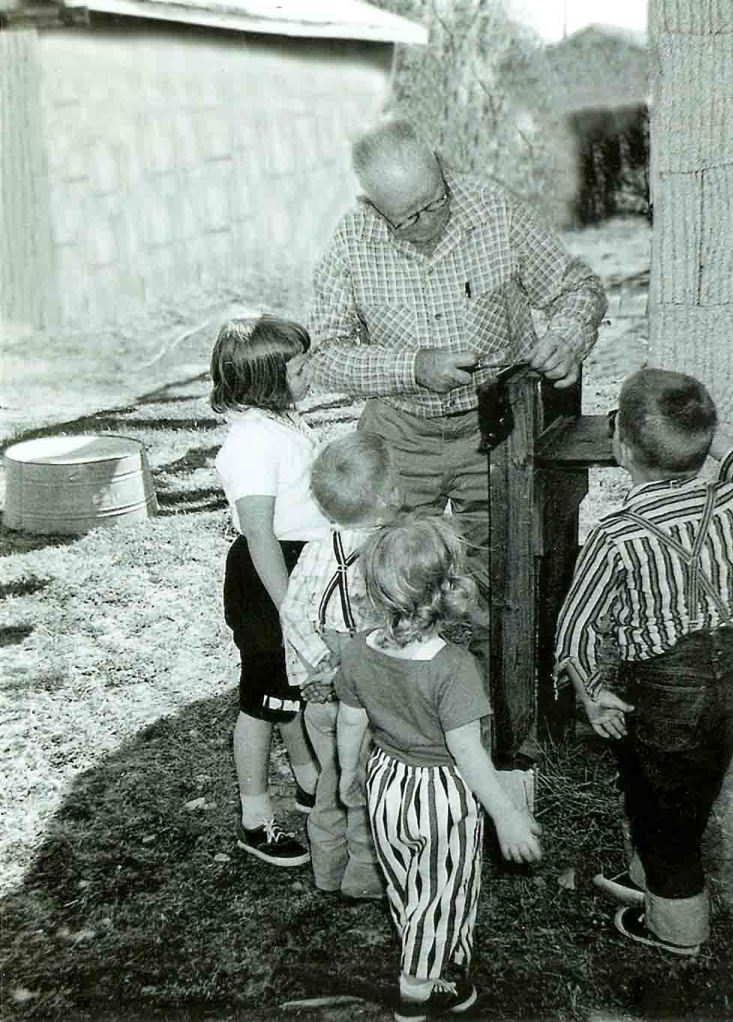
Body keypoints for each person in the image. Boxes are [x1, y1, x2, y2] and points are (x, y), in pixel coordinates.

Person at [307, 116, 607, 760]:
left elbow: (578, 287)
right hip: (400, 428)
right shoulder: (354, 238)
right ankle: (403, 725)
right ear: (373, 207)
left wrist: (567, 339)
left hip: (493, 423)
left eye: (433, 201)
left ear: (442, 166)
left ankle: (492, 724)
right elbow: (325, 354)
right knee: (395, 576)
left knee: (497, 571)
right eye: (406, 218)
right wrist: (412, 364)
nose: (427, 222)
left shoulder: (494, 208)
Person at [335, 514, 542, 1021]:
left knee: (409, 887)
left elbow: (350, 719)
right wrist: (508, 816)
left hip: (385, 781)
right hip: (441, 798)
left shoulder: (359, 651)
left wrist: (347, 773)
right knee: (444, 895)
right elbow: (468, 754)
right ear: (447, 588)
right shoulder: (452, 666)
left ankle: (445, 971)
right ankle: (417, 989)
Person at [555, 368, 733, 956]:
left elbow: (578, 628)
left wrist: (591, 691)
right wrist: (706, 434)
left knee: (669, 822)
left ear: (623, 449)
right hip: (726, 680)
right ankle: (648, 882)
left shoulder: (618, 533)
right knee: (664, 788)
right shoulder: (727, 498)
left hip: (663, 688)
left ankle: (678, 931)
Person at [212, 315, 330, 867]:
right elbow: (259, 533)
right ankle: (255, 820)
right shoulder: (251, 441)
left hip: (297, 567)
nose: (311, 373)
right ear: (265, 381)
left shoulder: (280, 422)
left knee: (292, 688)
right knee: (263, 702)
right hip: (270, 578)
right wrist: (289, 608)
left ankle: (309, 782)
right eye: (300, 368)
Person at [279, 431, 401, 901]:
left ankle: (327, 869)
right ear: (389, 495)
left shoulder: (315, 549)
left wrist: (317, 667)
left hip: (317, 694)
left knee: (330, 780)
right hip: (366, 697)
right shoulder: (387, 553)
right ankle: (365, 877)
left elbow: (292, 612)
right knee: (365, 784)